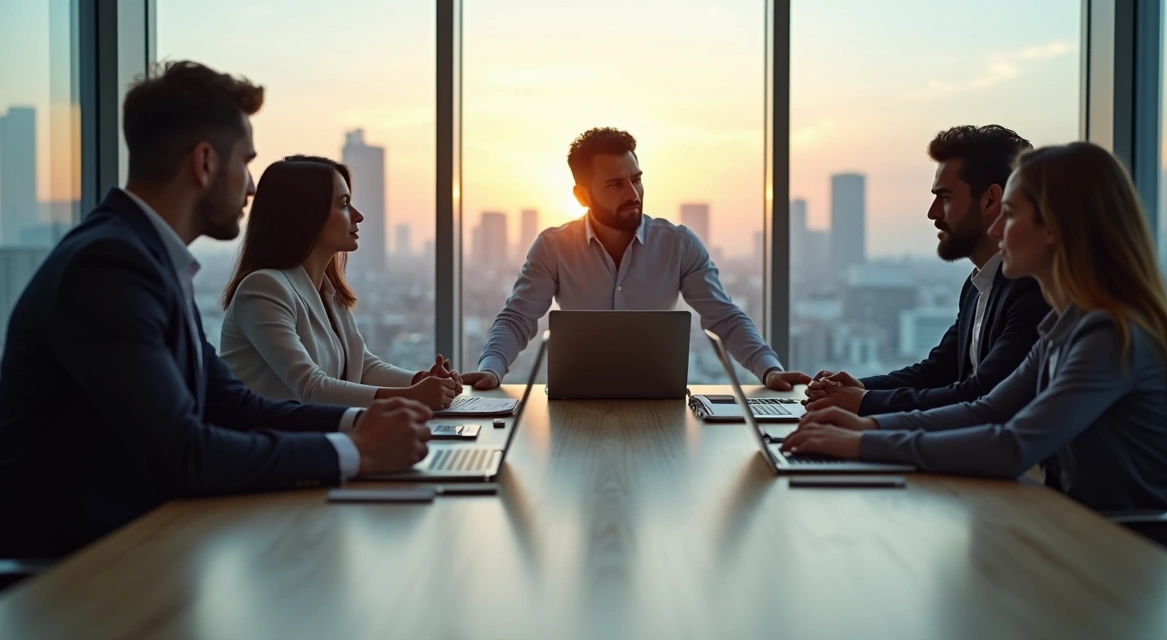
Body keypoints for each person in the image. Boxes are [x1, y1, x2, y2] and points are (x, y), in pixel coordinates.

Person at [0, 61, 432, 558]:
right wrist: (359, 451)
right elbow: (184, 453)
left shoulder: (146, 258)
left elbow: (231, 404)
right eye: (245, 162)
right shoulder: (109, 266)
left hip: (141, 548)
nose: (251, 187)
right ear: (204, 163)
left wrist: (359, 425)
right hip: (73, 574)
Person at [783, 143, 1167, 557]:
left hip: (1142, 563)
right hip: (1086, 540)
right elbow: (985, 411)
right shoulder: (1064, 325)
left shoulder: (1109, 335)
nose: (998, 230)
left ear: (1054, 227)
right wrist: (866, 428)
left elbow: (1012, 445)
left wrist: (860, 444)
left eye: (1012, 214)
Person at [460, 127, 810, 390]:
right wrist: (492, 369)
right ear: (582, 195)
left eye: (636, 179)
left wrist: (770, 369)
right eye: (615, 184)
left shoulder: (679, 244)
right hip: (574, 406)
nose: (632, 194)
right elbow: (518, 318)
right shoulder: (553, 246)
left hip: (660, 407)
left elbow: (725, 319)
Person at [805, 125, 1050, 416]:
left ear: (990, 200)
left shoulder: (1032, 290)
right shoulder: (977, 287)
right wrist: (858, 387)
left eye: (945, 197)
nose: (932, 213)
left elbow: (983, 395)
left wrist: (863, 404)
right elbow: (936, 372)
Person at [219, 155, 461, 410]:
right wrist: (412, 395)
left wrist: (421, 381)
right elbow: (311, 387)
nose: (358, 216)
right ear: (306, 214)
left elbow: (363, 366)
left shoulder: (327, 290)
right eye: (344, 205)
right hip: (269, 445)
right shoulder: (262, 288)